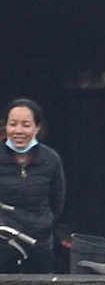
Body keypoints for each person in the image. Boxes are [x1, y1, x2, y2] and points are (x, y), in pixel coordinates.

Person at [0, 98, 64, 274]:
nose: (18, 130)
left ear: (37, 128)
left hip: (40, 242)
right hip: (3, 243)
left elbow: (57, 201)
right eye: (13, 124)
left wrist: (43, 222)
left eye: (26, 125)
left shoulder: (50, 160)